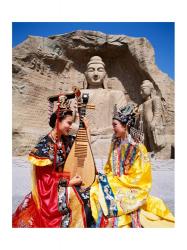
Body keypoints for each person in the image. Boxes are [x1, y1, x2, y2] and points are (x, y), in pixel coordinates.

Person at [90, 103, 174, 227]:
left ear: (126, 126)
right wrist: (107, 177)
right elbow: (109, 166)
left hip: (131, 187)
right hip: (116, 183)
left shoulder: (138, 148)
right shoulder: (115, 143)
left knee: (99, 193)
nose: (113, 128)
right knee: (94, 189)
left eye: (115, 125)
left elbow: (140, 178)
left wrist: (114, 181)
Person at [12, 100, 94, 228]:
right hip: (49, 193)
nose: (71, 126)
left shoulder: (65, 140)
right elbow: (45, 182)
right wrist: (70, 182)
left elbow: (85, 146)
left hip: (64, 182)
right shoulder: (44, 147)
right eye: (69, 123)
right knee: (81, 197)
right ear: (58, 121)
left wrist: (87, 128)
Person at [139, 80, 166, 153]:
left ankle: (155, 152)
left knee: (153, 140)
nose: (141, 93)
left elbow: (157, 112)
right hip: (144, 125)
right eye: (140, 90)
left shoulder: (155, 99)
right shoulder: (143, 104)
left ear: (150, 89)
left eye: (143, 90)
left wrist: (154, 122)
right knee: (146, 140)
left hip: (152, 124)